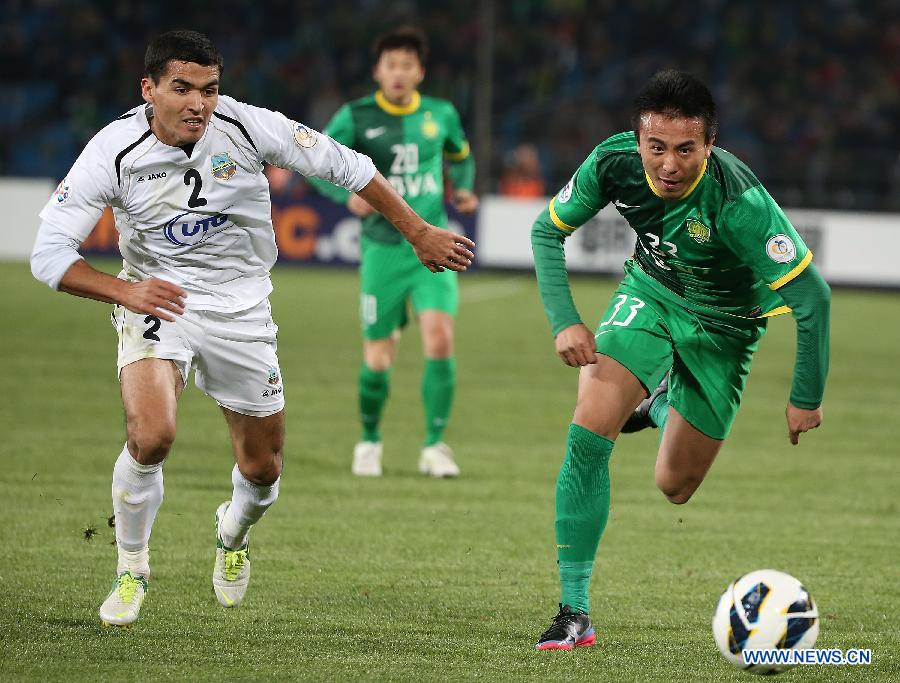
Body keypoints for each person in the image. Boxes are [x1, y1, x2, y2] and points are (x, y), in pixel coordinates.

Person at [29, 30, 474, 628]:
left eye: (209, 90)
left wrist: (417, 230)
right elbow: (49, 255)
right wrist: (127, 290)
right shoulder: (113, 149)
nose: (197, 104)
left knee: (263, 470)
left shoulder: (246, 127)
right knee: (152, 436)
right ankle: (131, 567)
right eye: (181, 89)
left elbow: (348, 164)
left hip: (242, 309)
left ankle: (231, 533)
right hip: (159, 301)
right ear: (149, 89)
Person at [530, 70, 830, 650]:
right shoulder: (613, 162)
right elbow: (547, 231)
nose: (668, 164)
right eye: (656, 147)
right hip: (650, 294)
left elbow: (812, 296)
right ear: (638, 139)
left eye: (686, 149)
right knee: (588, 431)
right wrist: (565, 318)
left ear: (708, 146)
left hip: (726, 328)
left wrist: (806, 396)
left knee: (675, 485)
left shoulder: (738, 201)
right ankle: (575, 611)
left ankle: (662, 401)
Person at [309, 26, 478, 478]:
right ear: (377, 72)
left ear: (420, 71)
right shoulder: (357, 116)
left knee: (440, 340)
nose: (399, 73)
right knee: (379, 359)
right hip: (383, 252)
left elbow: (461, 154)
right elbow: (310, 161)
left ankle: (435, 446)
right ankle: (369, 441)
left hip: (433, 249)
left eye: (408, 65)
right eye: (392, 65)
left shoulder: (440, 114)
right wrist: (345, 198)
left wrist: (462, 189)